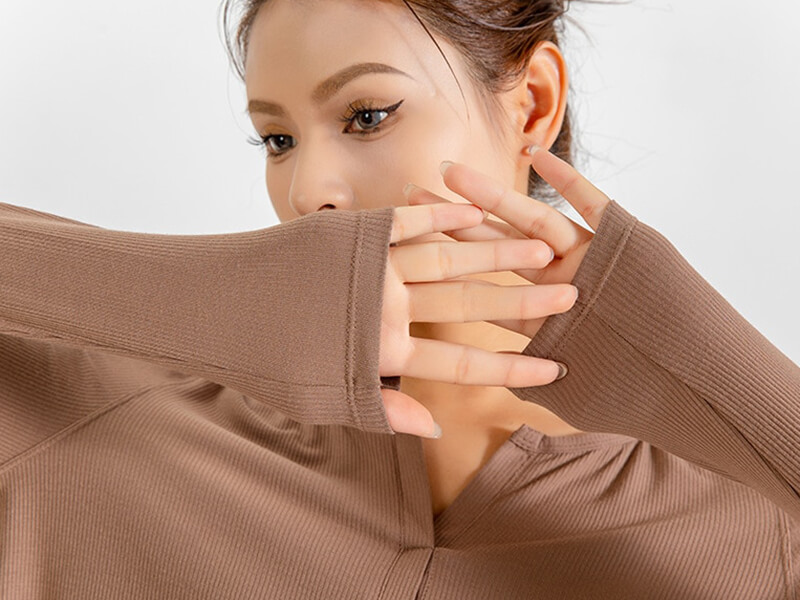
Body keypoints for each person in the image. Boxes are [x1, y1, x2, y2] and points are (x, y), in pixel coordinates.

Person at [0, 1, 797, 599]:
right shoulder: (105, 442)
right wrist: (209, 301)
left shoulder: (752, 527)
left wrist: (696, 364)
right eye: (278, 141)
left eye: (367, 116)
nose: (308, 190)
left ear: (534, 107)